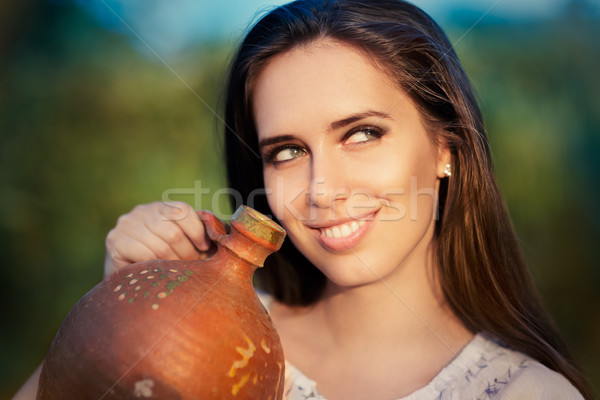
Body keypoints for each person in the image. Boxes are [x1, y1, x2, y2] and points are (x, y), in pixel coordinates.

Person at [14, 0, 593, 399]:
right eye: (287, 151)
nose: (322, 190)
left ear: (447, 146)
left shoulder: (528, 393)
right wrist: (115, 325)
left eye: (362, 133)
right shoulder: (199, 352)